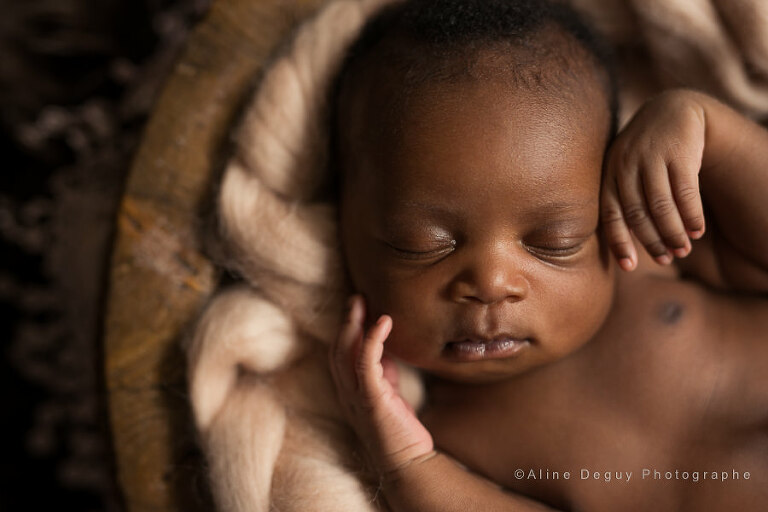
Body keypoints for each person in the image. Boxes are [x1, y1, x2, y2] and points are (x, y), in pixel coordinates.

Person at [328, 0, 768, 510]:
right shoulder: (448, 434)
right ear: (342, 218)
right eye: (421, 244)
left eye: (554, 242)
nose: (492, 283)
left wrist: (709, 129)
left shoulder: (652, 251)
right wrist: (407, 466)